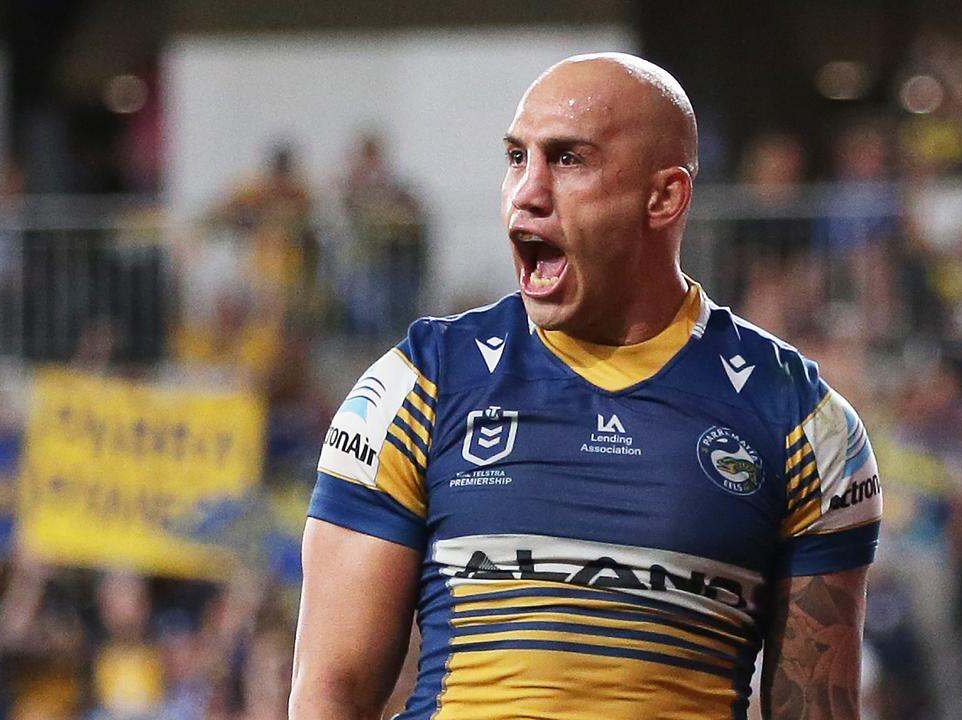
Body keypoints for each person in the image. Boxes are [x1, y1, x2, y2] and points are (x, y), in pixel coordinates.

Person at [291, 53, 882, 719]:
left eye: (567, 159)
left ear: (664, 197)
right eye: (517, 157)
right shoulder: (418, 386)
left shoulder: (801, 422)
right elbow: (329, 692)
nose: (526, 192)